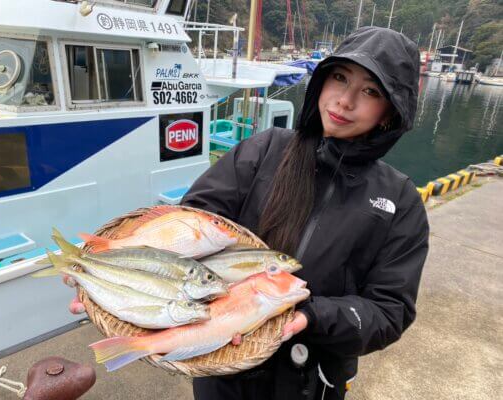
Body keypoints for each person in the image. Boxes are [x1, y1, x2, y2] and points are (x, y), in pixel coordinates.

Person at [68, 26, 429, 400]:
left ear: (390, 112)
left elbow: (390, 312)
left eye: (370, 92)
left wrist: (311, 315)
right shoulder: (265, 149)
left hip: (311, 380)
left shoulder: (399, 201)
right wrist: (116, 272)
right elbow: (193, 221)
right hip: (223, 367)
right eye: (339, 77)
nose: (344, 101)